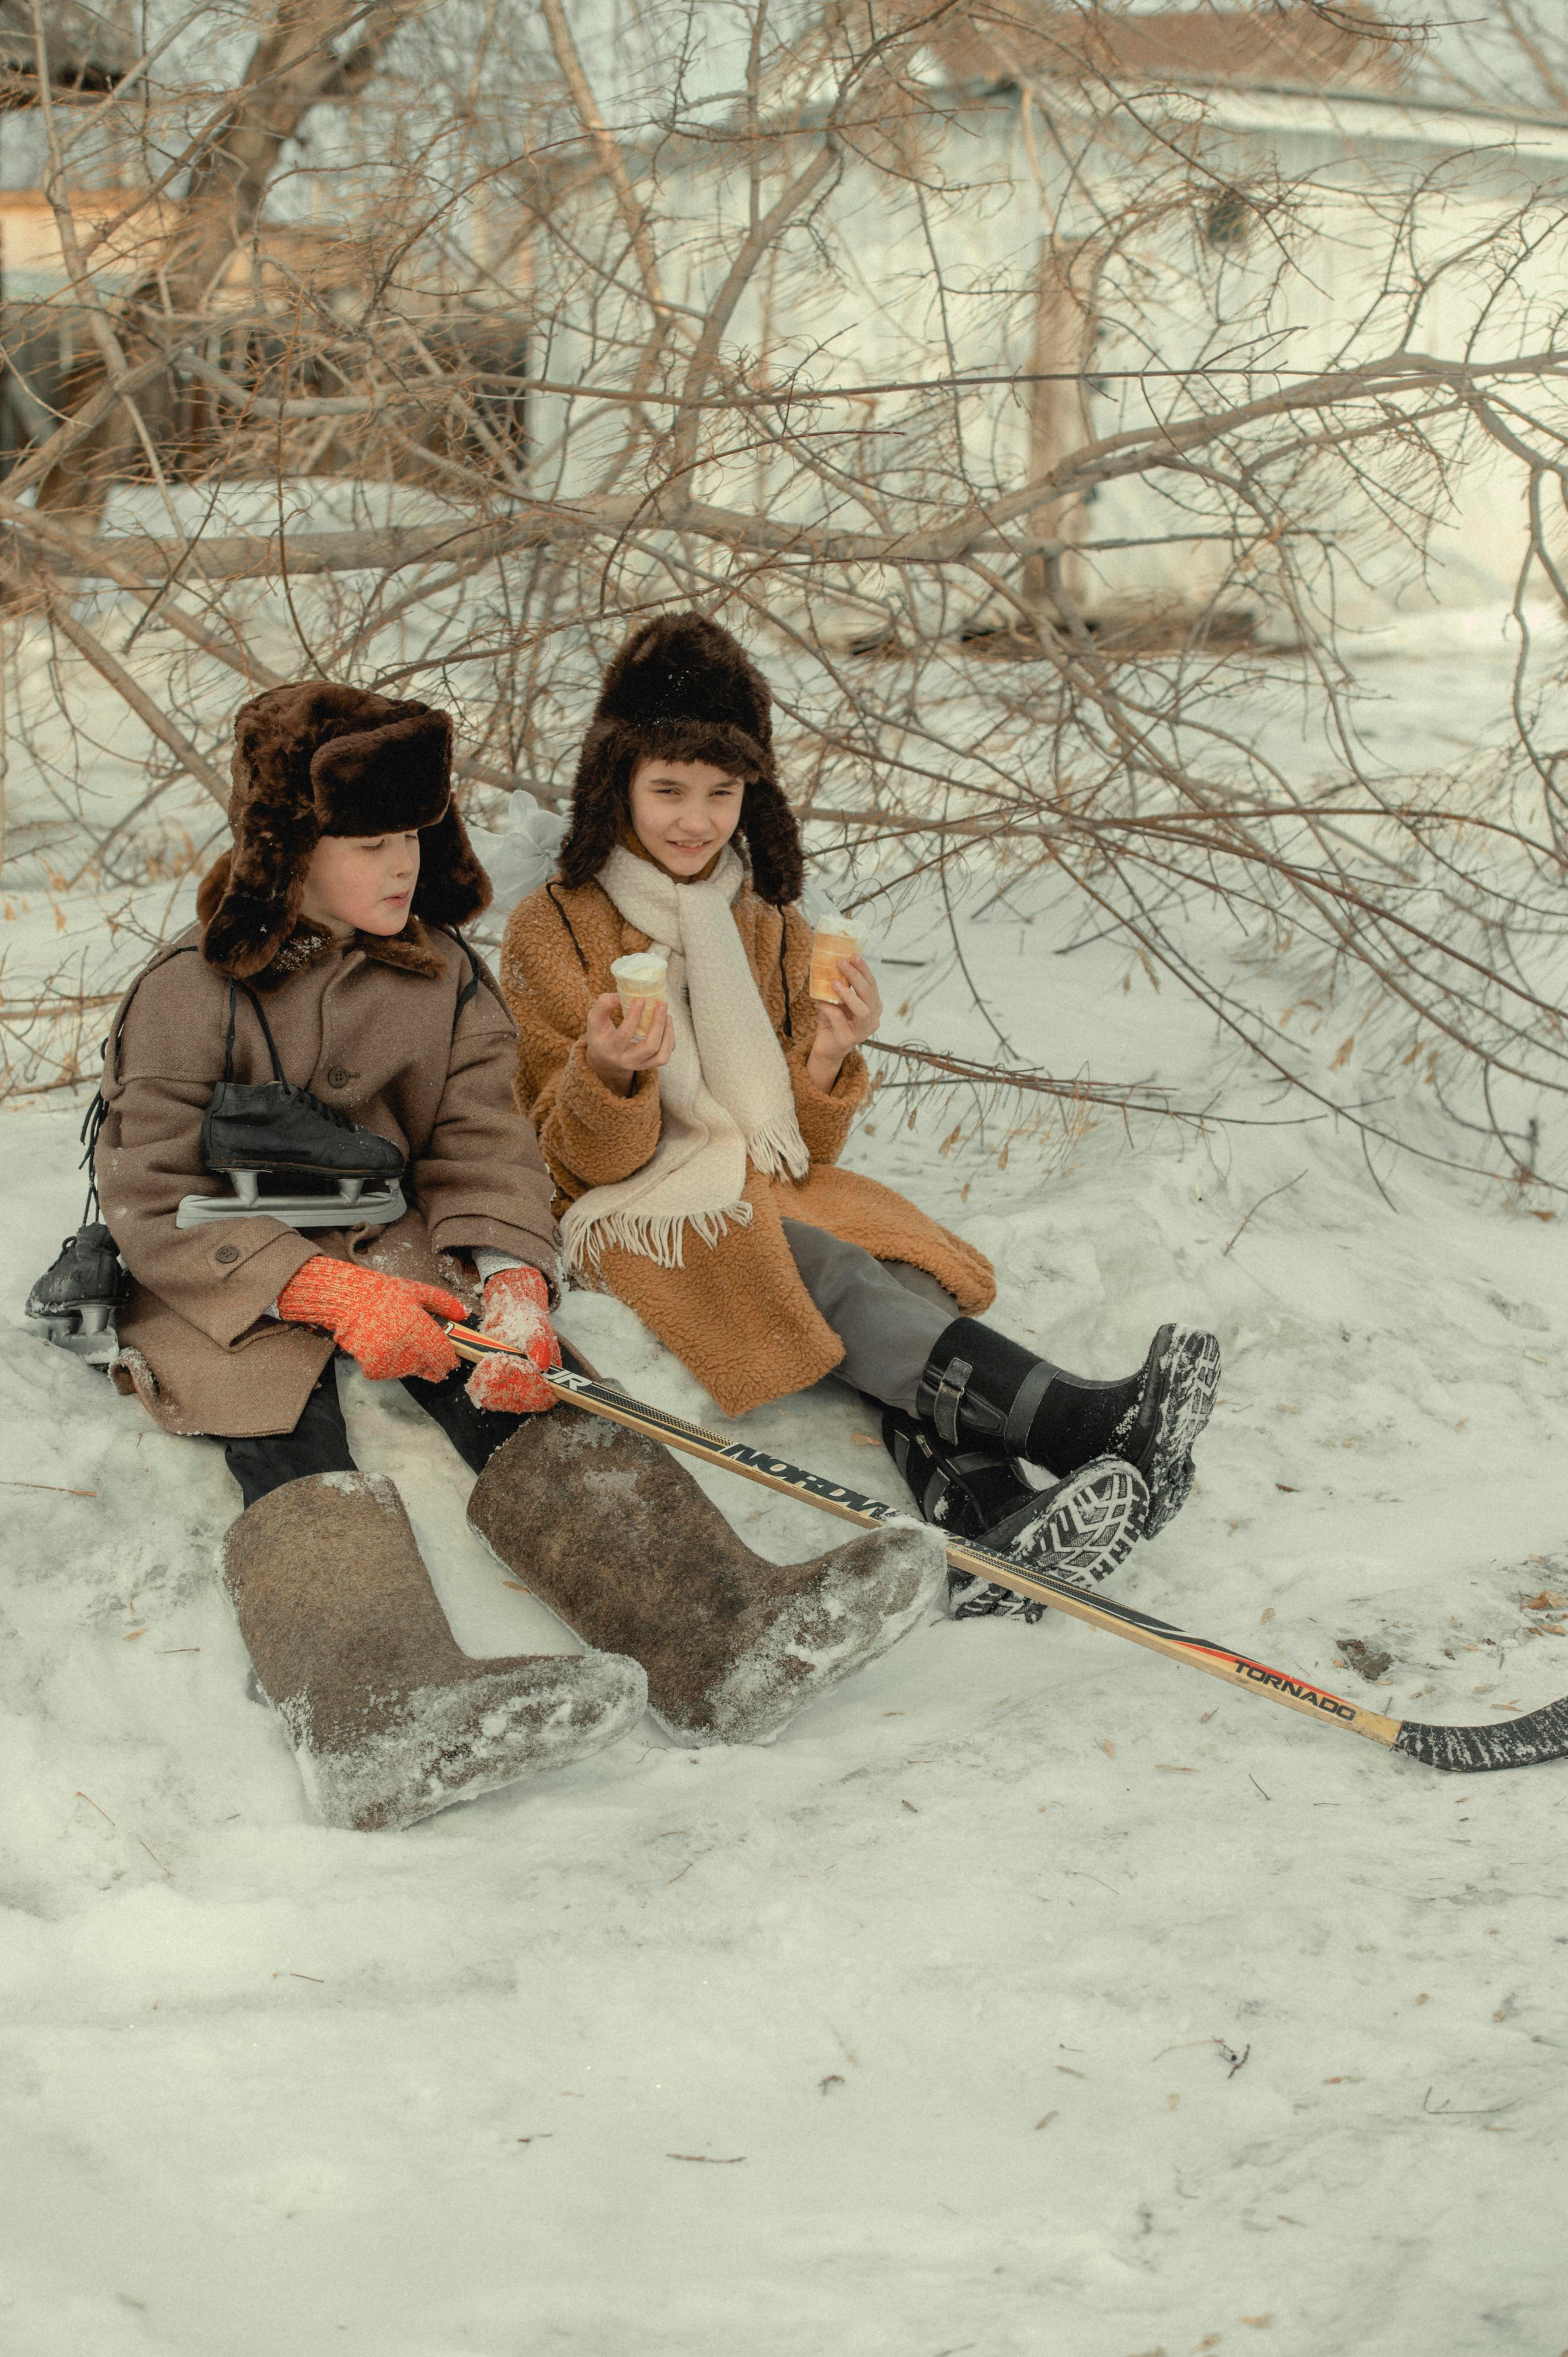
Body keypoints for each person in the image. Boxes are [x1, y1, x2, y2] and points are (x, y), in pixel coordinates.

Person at [89, 681, 943, 1829]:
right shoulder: (188, 992)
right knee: (281, 1425)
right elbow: (147, 1194)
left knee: (530, 1386)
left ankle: (717, 1628)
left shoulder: (441, 973)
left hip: (394, 1233)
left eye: (416, 839)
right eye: (373, 843)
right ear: (292, 845)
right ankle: (373, 1714)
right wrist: (316, 1285)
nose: (404, 867)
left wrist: (512, 1276)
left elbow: (481, 1142)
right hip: (221, 1258)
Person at [500, 613, 1221, 1619]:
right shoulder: (555, 926)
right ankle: (1078, 1424)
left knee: (903, 1272)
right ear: (616, 781)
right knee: (825, 1269)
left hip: (752, 1182)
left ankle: (990, 1527)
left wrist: (831, 1055)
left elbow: (803, 1150)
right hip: (634, 1207)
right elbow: (563, 1147)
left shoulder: (766, 923)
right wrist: (611, 1075)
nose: (695, 820)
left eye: (722, 793)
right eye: (668, 790)